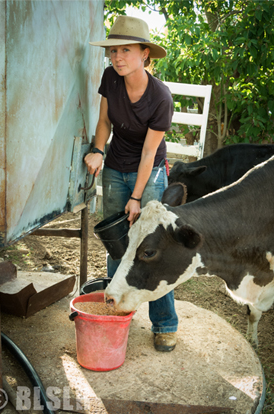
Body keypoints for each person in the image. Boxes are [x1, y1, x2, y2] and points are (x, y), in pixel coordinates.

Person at [85, 16, 178, 352]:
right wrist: (98, 149)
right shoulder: (111, 78)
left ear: (144, 54)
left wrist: (136, 197)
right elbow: (104, 121)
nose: (117, 57)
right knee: (117, 242)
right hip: (115, 166)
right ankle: (116, 311)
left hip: (149, 172)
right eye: (113, 51)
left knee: (153, 249)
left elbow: (150, 152)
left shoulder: (160, 98)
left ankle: (165, 324)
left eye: (126, 50)